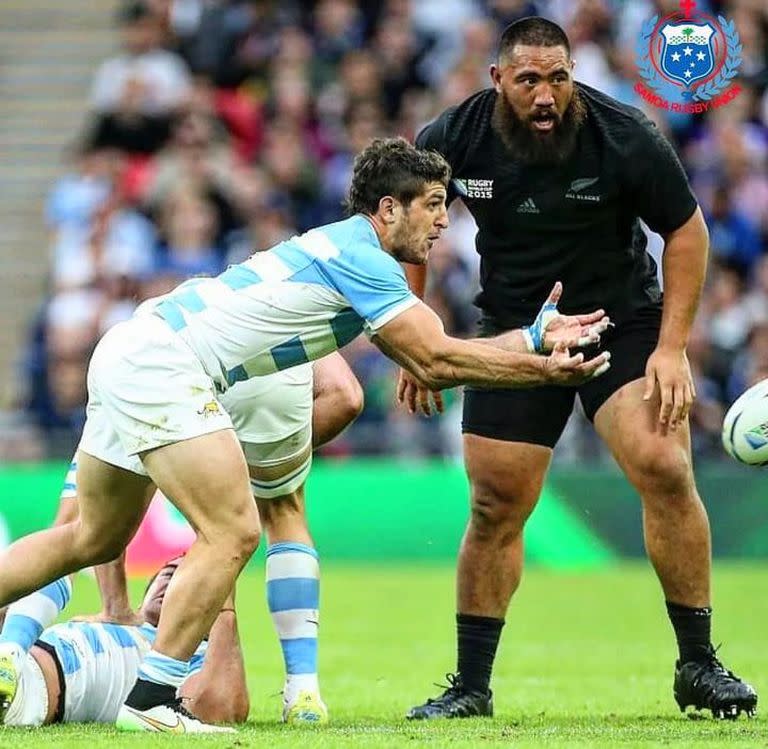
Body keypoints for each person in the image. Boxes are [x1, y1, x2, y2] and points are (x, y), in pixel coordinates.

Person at [0, 136, 611, 734]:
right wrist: (542, 368)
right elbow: (433, 363)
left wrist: (533, 339)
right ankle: (154, 697)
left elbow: (443, 351)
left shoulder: (347, 250)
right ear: (389, 209)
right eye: (432, 206)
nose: (443, 224)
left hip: (130, 346)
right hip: (168, 363)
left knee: (89, 535)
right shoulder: (365, 258)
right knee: (235, 531)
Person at [403, 18, 757, 721]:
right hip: (516, 333)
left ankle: (699, 662)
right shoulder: (450, 138)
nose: (545, 95)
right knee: (494, 502)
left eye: (558, 78)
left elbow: (686, 231)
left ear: (573, 76)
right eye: (529, 79)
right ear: (498, 78)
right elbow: (413, 227)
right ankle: (470, 686)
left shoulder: (625, 135)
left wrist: (671, 347)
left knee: (664, 465)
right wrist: (417, 336)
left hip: (618, 323)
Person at [29, 351, 364, 726]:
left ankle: (12, 645)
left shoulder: (181, 661)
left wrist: (211, 595)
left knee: (89, 525)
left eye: (180, 569)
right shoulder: (166, 653)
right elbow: (345, 395)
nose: (175, 567)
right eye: (175, 568)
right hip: (266, 361)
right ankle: (303, 688)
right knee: (284, 508)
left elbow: (85, 516)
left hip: (178, 364)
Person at [0, 556, 248, 729]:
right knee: (63, 550)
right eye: (170, 574)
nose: (173, 585)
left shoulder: (190, 660)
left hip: (31, 688)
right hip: (20, 664)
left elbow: (220, 707)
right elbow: (103, 538)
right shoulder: (120, 621)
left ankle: (9, 656)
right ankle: (10, 651)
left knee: (61, 551)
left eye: (192, 586)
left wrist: (221, 596)